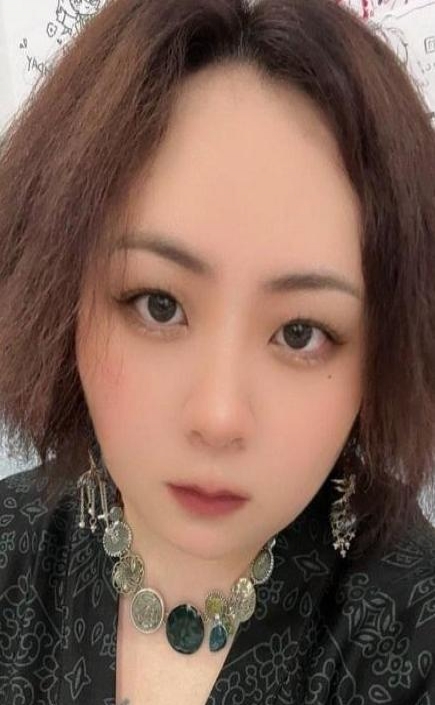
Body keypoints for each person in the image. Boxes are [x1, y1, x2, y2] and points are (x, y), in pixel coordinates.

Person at [0, 0, 434, 703]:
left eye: (301, 332)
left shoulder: (413, 632)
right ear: (58, 295)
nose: (218, 416)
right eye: (158, 304)